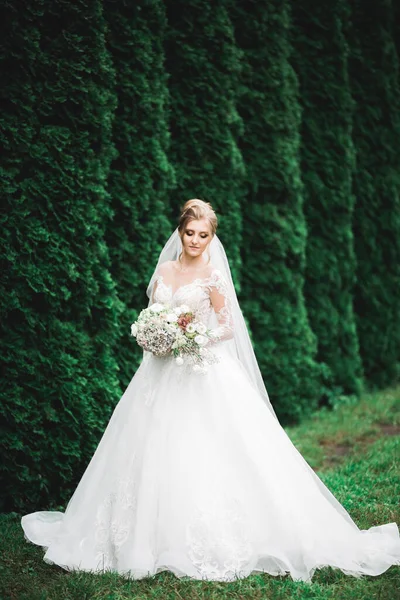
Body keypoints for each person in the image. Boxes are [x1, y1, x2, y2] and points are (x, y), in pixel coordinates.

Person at [21, 199, 400, 582]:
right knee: (149, 446)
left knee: (208, 449)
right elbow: (152, 316)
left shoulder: (213, 277)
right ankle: (139, 535)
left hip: (202, 370)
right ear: (180, 231)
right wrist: (155, 336)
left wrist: (192, 337)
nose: (196, 241)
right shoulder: (164, 271)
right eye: (190, 233)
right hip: (159, 374)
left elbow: (227, 327)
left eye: (204, 235)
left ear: (211, 237)